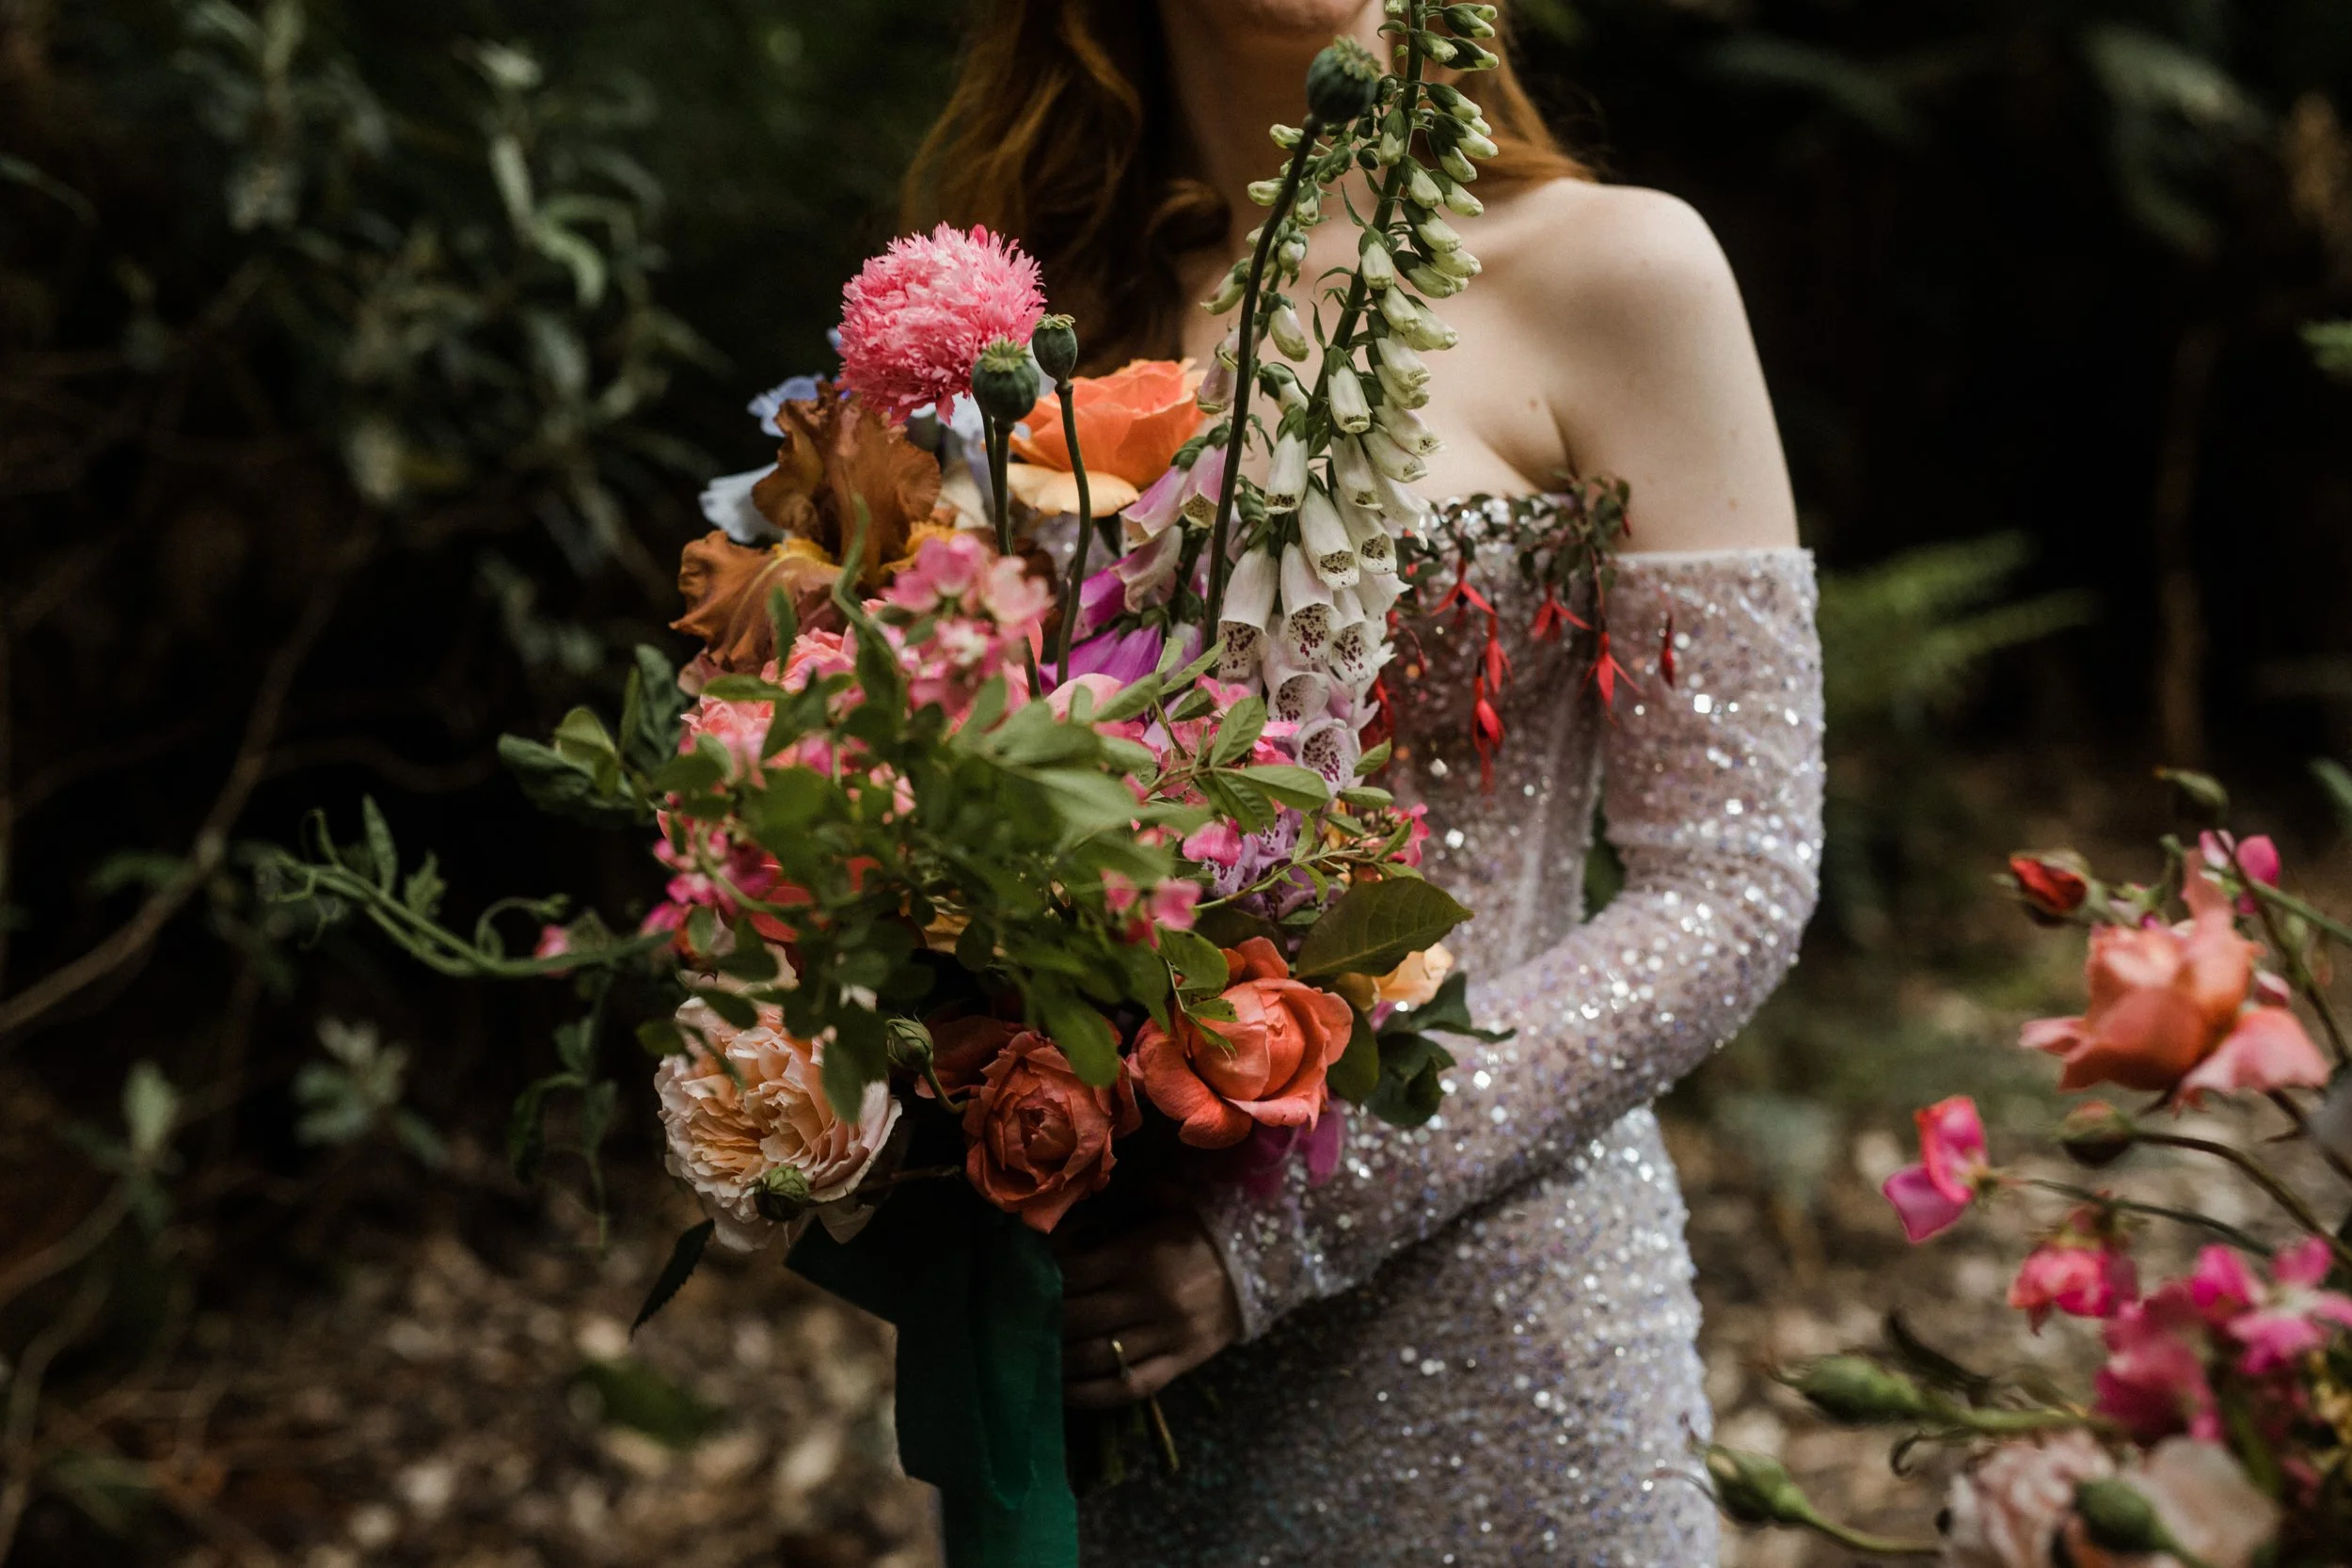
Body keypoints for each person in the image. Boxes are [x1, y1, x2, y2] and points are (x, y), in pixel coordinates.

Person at [906, 2, 1823, 1561]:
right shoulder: (1004, 331)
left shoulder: (1627, 272)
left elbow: (1731, 880)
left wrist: (1272, 1230)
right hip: (1106, 1356)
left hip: (1508, 1346)